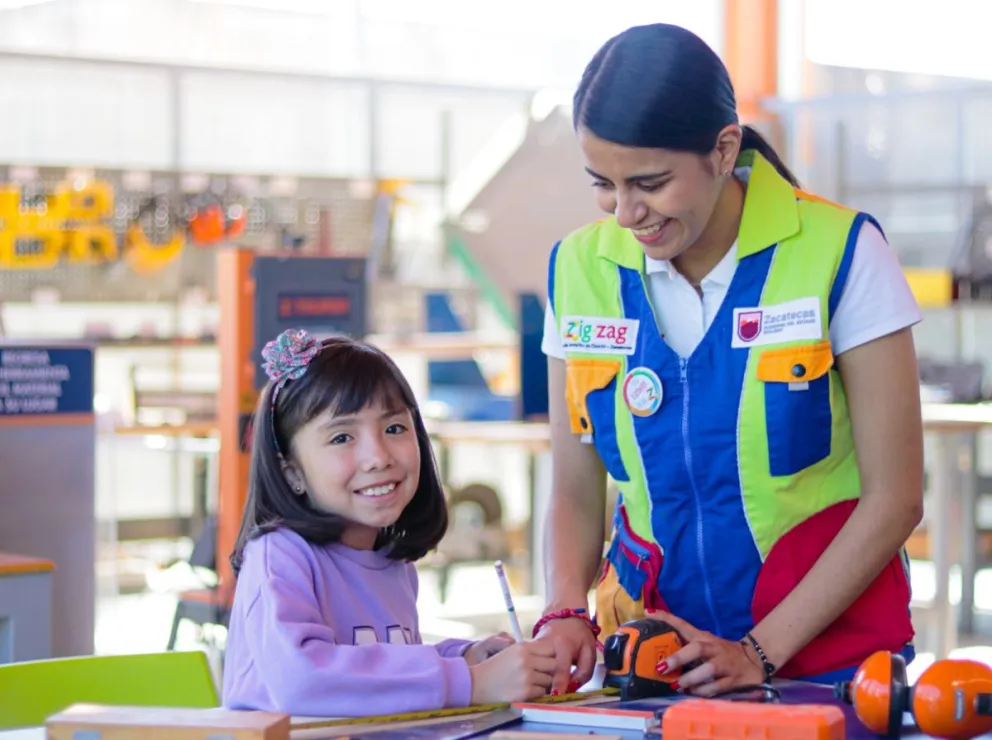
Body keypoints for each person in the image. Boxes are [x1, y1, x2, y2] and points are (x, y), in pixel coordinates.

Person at [536, 23, 925, 698]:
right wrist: (565, 610)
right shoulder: (578, 270)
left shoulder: (840, 252)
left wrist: (758, 652)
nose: (627, 213)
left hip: (830, 668)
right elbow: (574, 487)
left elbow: (896, 499)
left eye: (650, 183)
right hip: (655, 661)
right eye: (604, 183)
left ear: (722, 150)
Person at [222, 329, 557, 717]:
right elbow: (305, 679)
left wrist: (466, 658)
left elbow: (381, 666)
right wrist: (471, 683)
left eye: (394, 428)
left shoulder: (391, 562)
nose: (378, 456)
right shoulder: (279, 555)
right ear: (291, 472)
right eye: (342, 436)